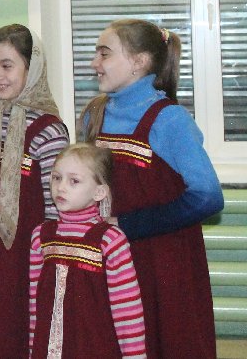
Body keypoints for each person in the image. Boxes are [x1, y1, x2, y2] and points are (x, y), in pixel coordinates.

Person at [80, 19, 223, 358]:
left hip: (163, 265)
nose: (94, 63)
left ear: (138, 62)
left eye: (104, 53)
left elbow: (208, 197)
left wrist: (129, 225)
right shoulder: (94, 115)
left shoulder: (169, 119)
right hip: (111, 261)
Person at [0, 24, 69, 358]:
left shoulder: (49, 131)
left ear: (31, 68)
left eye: (7, 66)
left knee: (20, 339)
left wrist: (50, 270)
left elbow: (56, 209)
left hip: (28, 260)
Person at [28, 143, 145, 358]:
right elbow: (35, 304)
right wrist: (33, 348)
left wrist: (135, 356)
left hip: (94, 349)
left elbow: (127, 309)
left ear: (99, 192)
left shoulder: (110, 240)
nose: (61, 187)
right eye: (56, 178)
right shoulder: (41, 236)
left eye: (74, 181)